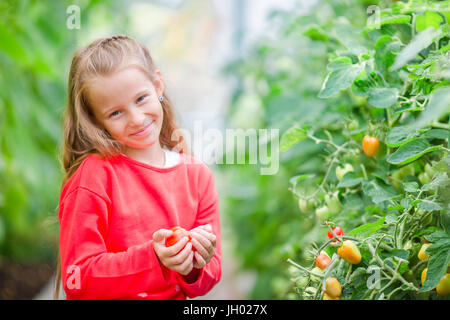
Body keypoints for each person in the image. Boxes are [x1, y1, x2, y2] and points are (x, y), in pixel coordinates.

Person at [54, 35, 221, 299]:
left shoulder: (197, 177)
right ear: (97, 122)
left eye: (141, 98)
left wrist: (194, 264)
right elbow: (77, 278)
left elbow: (211, 274)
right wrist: (153, 258)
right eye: (115, 113)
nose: (136, 119)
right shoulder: (94, 177)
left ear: (157, 85)